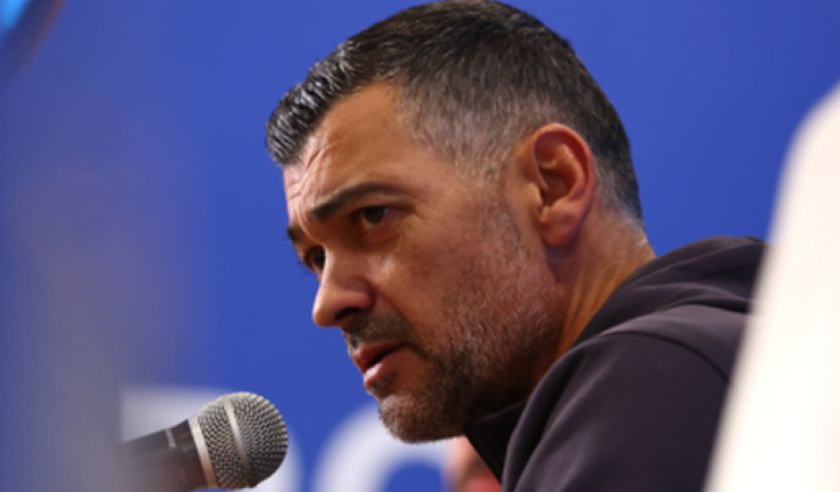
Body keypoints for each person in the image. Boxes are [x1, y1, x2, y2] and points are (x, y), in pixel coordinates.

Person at [265, 1, 763, 490]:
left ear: (553, 186)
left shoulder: (650, 385)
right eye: (316, 258)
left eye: (373, 216)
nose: (327, 305)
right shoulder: (706, 366)